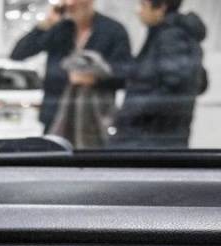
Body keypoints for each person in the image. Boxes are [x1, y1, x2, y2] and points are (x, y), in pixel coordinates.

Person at [11, 0, 134, 131]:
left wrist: (94, 79)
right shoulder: (59, 29)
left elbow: (125, 74)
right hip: (55, 116)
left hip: (94, 118)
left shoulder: (113, 31)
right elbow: (18, 53)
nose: (69, 4)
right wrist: (47, 23)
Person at [111, 0, 208, 147]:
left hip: (153, 139)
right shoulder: (163, 35)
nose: (138, 10)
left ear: (161, 7)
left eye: (143, 5)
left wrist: (131, 112)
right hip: (150, 136)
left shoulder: (172, 38)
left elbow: (175, 88)